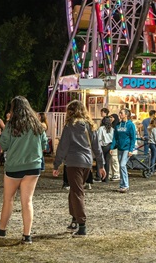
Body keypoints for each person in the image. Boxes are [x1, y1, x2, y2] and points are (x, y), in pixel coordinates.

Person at [0, 96, 48, 244]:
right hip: (33, 166)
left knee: (9, 199)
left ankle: (2, 229)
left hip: (14, 166)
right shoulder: (37, 125)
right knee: (27, 201)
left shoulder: (11, 125)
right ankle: (27, 235)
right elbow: (44, 144)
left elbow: (4, 145)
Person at [51, 99, 105, 237]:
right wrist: (101, 165)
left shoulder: (70, 126)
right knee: (75, 191)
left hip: (73, 162)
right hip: (87, 162)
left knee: (77, 192)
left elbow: (62, 147)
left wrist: (57, 164)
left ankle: (82, 225)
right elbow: (97, 147)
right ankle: (74, 220)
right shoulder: (90, 126)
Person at [112, 108, 136, 193]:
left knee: (122, 165)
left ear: (126, 114)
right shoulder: (118, 125)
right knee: (121, 166)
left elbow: (133, 138)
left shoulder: (130, 125)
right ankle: (122, 185)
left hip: (127, 148)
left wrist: (131, 149)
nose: (120, 114)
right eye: (119, 113)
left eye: (121, 113)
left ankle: (125, 185)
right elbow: (115, 137)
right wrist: (112, 147)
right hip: (120, 148)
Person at [96, 114, 114, 181]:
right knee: (107, 162)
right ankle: (106, 178)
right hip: (110, 146)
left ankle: (99, 176)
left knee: (100, 161)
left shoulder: (101, 128)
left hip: (103, 146)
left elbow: (98, 138)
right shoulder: (112, 129)